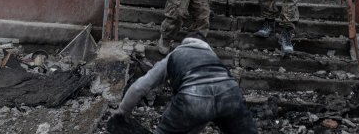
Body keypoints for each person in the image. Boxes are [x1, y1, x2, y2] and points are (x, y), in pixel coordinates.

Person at [110, 32, 258, 134]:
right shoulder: (213, 58)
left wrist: (122, 111)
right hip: (231, 94)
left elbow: (139, 87)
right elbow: (208, 107)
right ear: (206, 45)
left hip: (192, 98)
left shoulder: (176, 54)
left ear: (184, 43)